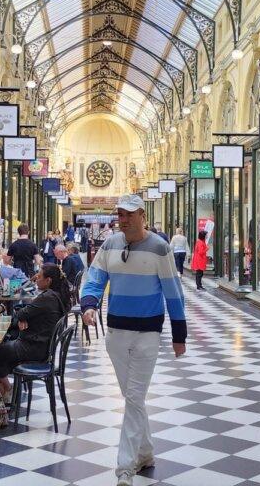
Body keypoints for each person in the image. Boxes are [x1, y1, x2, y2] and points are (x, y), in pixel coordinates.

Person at [80, 195, 187, 486]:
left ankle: (125, 468)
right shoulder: (111, 244)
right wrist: (89, 305)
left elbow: (173, 292)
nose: (122, 219)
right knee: (132, 398)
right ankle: (146, 452)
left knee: (136, 397)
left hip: (148, 335)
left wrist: (180, 335)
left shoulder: (160, 248)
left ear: (142, 214)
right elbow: (95, 278)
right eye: (119, 214)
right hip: (116, 334)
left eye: (128, 214)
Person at [0, 264, 71, 398]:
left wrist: (23, 317)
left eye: (39, 277)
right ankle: (5, 394)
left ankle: (7, 390)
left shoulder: (47, 297)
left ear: (48, 281)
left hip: (33, 348)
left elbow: (21, 313)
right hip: (41, 346)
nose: (36, 280)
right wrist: (23, 318)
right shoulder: (55, 296)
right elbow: (24, 313)